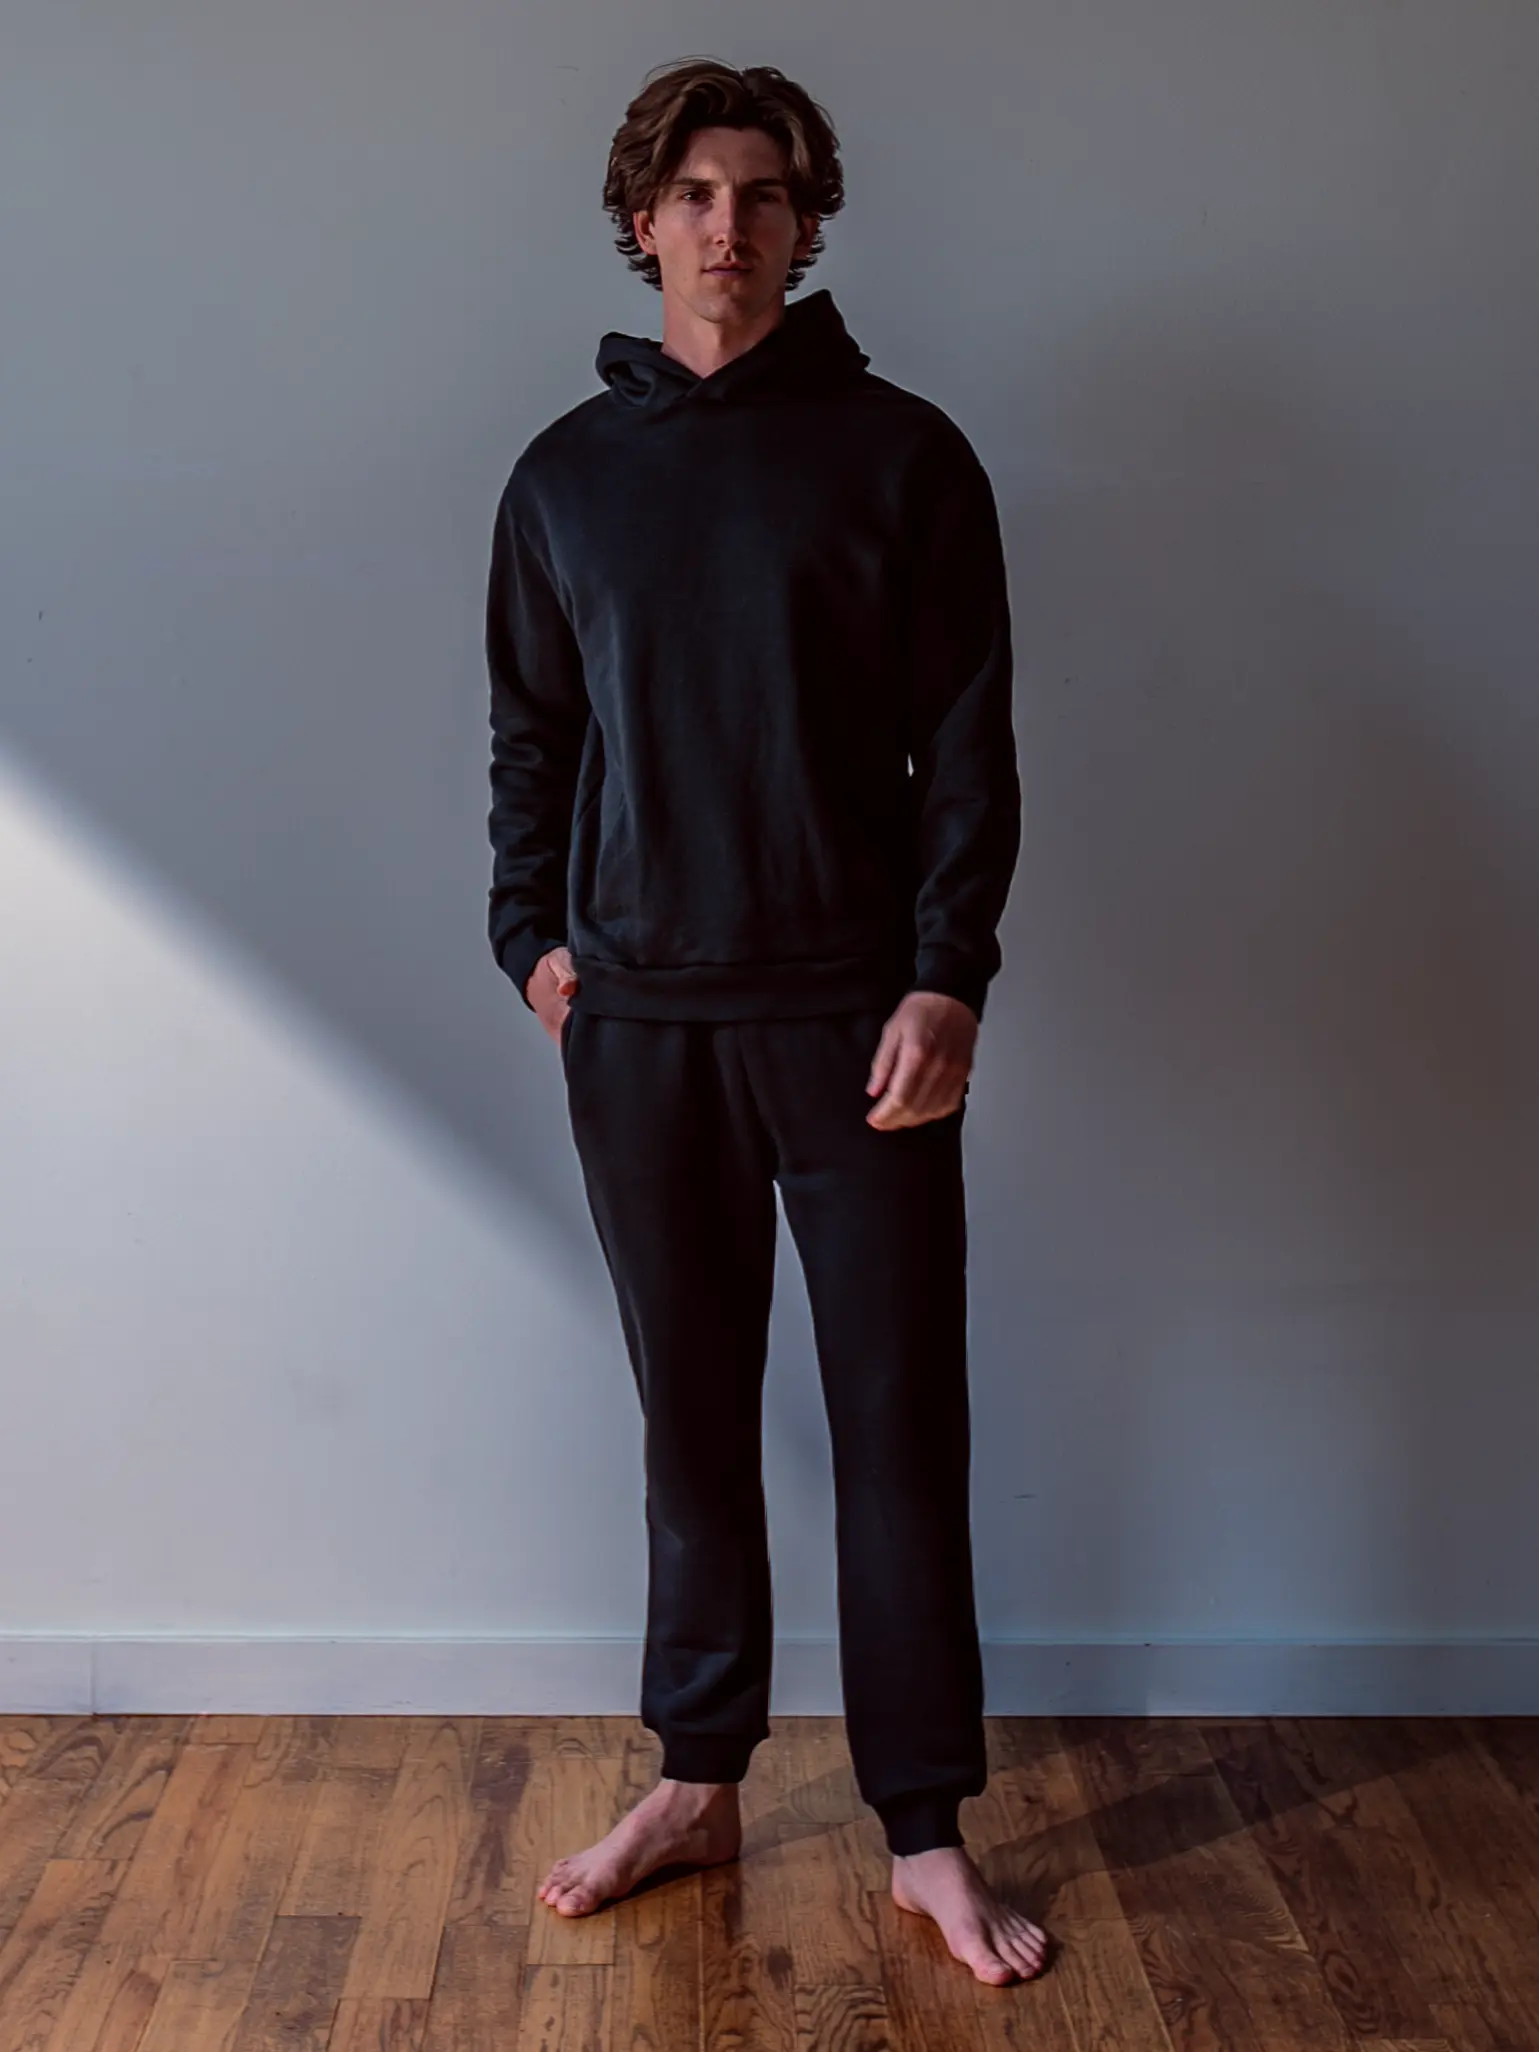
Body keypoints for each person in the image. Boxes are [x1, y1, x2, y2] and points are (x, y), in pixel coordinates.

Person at [484, 56, 1046, 1987]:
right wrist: (528, 937)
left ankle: (923, 1828)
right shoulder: (564, 478)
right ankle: (696, 1776)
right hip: (638, 1020)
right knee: (691, 1420)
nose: (729, 226)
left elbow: (967, 746)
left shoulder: (904, 457)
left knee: (895, 1424)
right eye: (697, 194)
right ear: (642, 221)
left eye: (764, 193)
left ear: (807, 224)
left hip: (853, 1017)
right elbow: (532, 737)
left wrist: (947, 973)